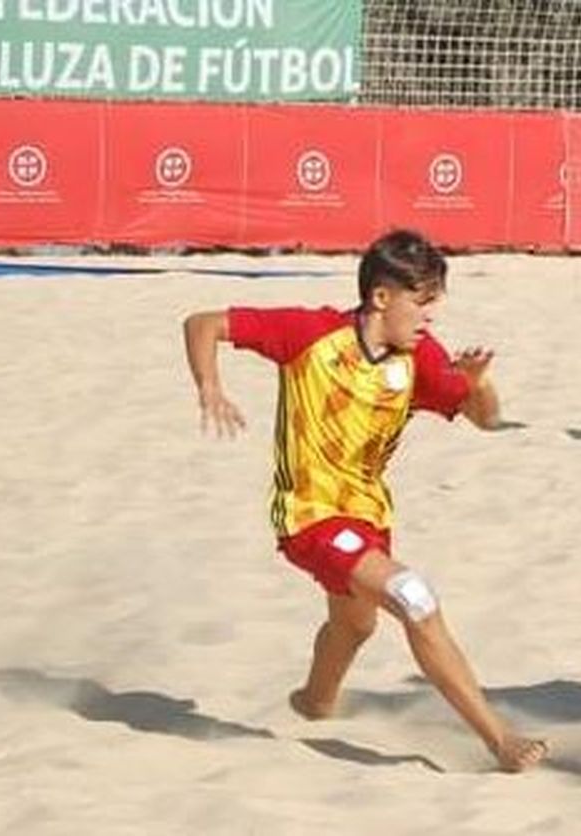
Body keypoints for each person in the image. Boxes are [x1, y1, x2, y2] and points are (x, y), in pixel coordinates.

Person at [181, 229, 547, 773]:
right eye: (422, 303)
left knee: (355, 626)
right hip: (308, 515)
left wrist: (478, 384)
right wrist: (209, 386)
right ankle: (499, 741)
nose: (431, 317)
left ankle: (313, 704)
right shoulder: (309, 333)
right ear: (381, 298)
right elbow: (202, 323)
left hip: (368, 515)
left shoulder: (419, 357)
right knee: (414, 596)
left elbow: (484, 418)